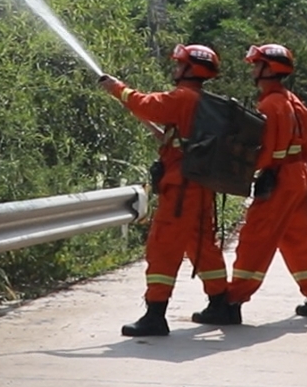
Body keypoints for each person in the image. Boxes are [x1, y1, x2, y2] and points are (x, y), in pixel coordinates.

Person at [99, 44, 234, 336]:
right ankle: (220, 303)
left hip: (182, 189)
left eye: (179, 64)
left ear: (191, 68)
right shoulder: (202, 102)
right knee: (202, 246)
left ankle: (155, 315)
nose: (175, 68)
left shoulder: (183, 97)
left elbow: (147, 104)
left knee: (163, 247)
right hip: (200, 187)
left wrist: (116, 88)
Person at [212, 43, 307, 323]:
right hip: (300, 177)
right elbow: (303, 150)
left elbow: (263, 151)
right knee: (301, 241)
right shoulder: (295, 103)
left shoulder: (269, 106)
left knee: (256, 239)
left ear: (269, 69)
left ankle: (233, 302)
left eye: (257, 65)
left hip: (278, 181)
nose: (253, 70)